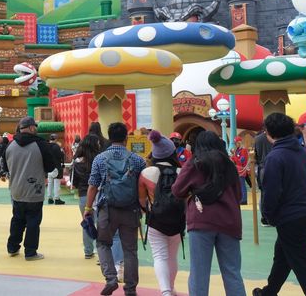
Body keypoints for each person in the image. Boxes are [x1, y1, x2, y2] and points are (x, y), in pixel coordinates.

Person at [171, 131, 245, 296]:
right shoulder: (230, 165)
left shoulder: (194, 163)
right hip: (229, 221)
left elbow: (177, 190)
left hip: (201, 220)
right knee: (232, 272)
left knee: (199, 273)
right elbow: (238, 195)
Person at [253, 113, 306, 296]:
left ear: (269, 133)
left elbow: (271, 192)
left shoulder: (276, 157)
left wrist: (269, 215)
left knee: (301, 262)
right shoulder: (301, 153)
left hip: (290, 216)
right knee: (282, 257)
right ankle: (269, 292)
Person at [83, 122, 146, 296]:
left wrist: (88, 208)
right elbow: (143, 186)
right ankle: (131, 288)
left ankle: (111, 278)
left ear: (109, 138)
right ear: (126, 138)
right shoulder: (137, 159)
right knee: (130, 250)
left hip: (107, 209)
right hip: (130, 209)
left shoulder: (100, 158)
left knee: (103, 243)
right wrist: (143, 207)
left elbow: (93, 186)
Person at [139, 131, 185, 296]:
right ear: (173, 152)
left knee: (159, 256)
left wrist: (147, 211)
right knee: (173, 257)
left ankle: (165, 291)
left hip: (156, 220)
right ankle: (171, 288)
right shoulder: (182, 173)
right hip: (178, 222)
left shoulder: (146, 174)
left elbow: (142, 200)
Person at [5, 117, 56, 261]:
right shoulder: (40, 144)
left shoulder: (11, 145)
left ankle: (12, 247)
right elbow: (50, 166)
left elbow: (5, 166)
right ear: (32, 128)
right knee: (33, 221)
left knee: (17, 219)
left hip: (16, 188)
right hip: (35, 190)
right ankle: (30, 251)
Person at [71, 134, 100, 259]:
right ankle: (101, 253)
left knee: (87, 221)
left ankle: (88, 251)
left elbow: (74, 182)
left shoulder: (77, 162)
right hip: (99, 195)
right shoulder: (99, 160)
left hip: (83, 195)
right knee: (102, 224)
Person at [46, 134, 65, 205]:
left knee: (50, 183)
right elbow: (60, 155)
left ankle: (49, 198)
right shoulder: (56, 147)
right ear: (56, 139)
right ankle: (57, 198)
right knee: (57, 183)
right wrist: (62, 151)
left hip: (49, 167)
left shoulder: (46, 146)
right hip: (56, 167)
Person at [229, 136, 249, 205]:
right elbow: (234, 160)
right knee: (239, 185)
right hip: (237, 170)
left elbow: (241, 161)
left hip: (241, 170)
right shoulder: (237, 150)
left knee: (242, 185)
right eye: (234, 143)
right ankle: (241, 198)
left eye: (236, 143)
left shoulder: (243, 150)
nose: (235, 144)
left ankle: (244, 200)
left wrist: (234, 156)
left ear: (239, 142)